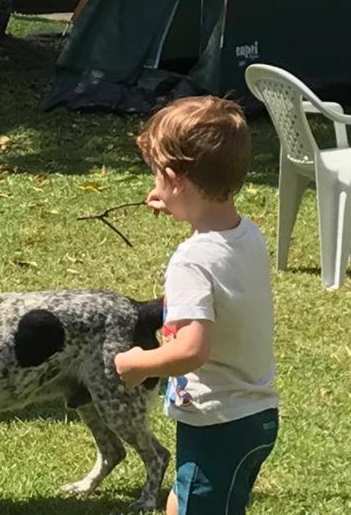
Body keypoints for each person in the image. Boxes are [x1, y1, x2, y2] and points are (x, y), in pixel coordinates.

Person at [114, 95, 279, 515]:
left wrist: (138, 364)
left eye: (157, 176)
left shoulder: (191, 261)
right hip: (252, 413)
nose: (155, 187)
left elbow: (191, 350)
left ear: (174, 179)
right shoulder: (247, 235)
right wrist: (177, 204)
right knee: (184, 500)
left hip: (218, 422)